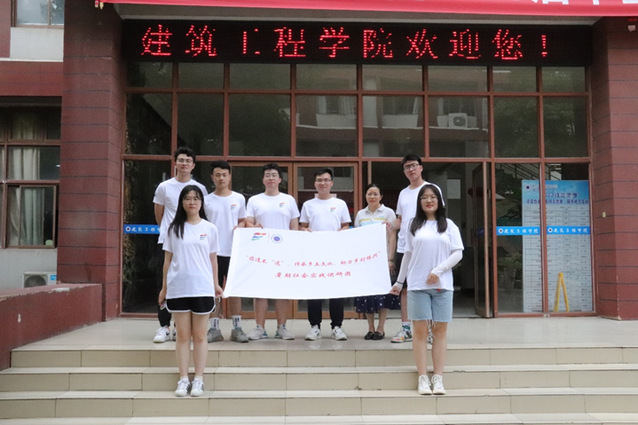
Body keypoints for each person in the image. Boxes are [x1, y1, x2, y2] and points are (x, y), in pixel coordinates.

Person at [390, 184, 463, 396]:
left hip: (442, 286)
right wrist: (399, 282)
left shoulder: (448, 225)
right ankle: (422, 377)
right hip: (417, 286)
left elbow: (458, 253)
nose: (428, 200)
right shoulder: (413, 225)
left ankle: (438, 377)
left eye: (432, 197)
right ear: (419, 202)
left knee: (440, 331)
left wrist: (438, 271)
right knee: (420, 331)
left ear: (439, 201)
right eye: (424, 197)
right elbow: (407, 255)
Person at [158, 185, 223, 397]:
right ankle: (183, 378)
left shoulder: (210, 228)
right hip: (178, 288)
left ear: (201, 202)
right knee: (183, 336)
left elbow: (213, 260)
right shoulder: (173, 229)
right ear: (182, 203)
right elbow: (167, 261)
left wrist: (215, 284)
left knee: (200, 336)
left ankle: (199, 379)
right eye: (187, 198)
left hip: (202, 287)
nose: (192, 202)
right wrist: (164, 288)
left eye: (196, 198)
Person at [152, 147, 208, 343]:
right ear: (175, 163)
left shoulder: (200, 188)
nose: (184, 163)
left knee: (185, 282)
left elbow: (201, 213)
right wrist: (171, 232)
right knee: (164, 282)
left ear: (193, 165)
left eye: (188, 161)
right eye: (181, 160)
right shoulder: (164, 187)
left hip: (191, 244)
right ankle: (164, 326)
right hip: (168, 242)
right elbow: (159, 215)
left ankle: (179, 327)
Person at [245, 163, 299, 340]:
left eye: (274, 175)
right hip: (261, 252)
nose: (270, 178)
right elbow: (248, 223)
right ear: (263, 180)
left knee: (281, 291)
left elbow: (294, 227)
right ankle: (259, 328)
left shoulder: (289, 200)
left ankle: (281, 327)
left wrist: (292, 250)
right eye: (267, 175)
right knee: (260, 292)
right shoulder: (254, 200)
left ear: (280, 179)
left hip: (283, 253)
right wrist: (253, 226)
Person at [300, 168, 351, 341]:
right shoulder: (308, 205)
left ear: (331, 183)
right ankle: (315, 326)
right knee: (314, 292)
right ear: (315, 183)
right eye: (319, 180)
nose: (323, 183)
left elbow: (346, 225)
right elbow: (303, 226)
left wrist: (344, 230)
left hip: (335, 254)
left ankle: (337, 327)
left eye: (326, 180)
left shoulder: (340, 204)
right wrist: (304, 230)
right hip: (314, 254)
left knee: (336, 291)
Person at [204, 160, 248, 343]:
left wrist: (240, 227)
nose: (221, 178)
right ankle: (214, 329)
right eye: (217, 175)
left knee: (234, 290)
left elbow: (243, 220)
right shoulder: (206, 200)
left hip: (233, 251)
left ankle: (237, 328)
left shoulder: (239, 198)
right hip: (212, 252)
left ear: (229, 177)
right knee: (213, 290)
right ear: (212, 177)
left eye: (224, 175)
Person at [353, 183, 400, 340]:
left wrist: (390, 259)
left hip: (382, 260)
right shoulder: (361, 214)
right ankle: (370, 327)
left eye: (375, 194)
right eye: (369, 194)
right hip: (366, 261)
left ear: (381, 196)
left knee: (383, 295)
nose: (372, 197)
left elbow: (392, 237)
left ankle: (380, 327)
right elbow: (357, 237)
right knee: (367, 295)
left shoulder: (388, 212)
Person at [391, 154, 429, 344]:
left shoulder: (431, 189)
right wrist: (389, 225)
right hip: (404, 247)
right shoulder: (403, 194)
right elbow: (400, 219)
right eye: (407, 167)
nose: (411, 169)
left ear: (421, 167)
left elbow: (439, 216)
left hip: (425, 248)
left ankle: (428, 330)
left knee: (426, 287)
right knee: (404, 289)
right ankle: (406, 329)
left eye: (414, 165)